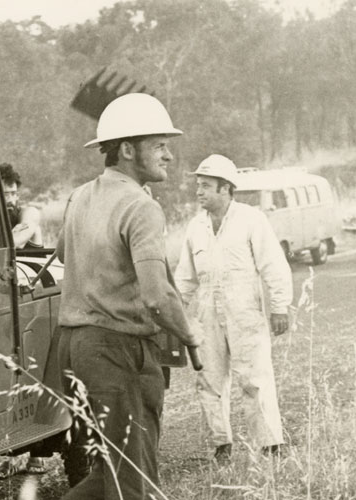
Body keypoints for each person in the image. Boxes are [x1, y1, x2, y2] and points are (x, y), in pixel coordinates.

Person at [55, 93, 202, 499]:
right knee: (135, 481)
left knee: (110, 475)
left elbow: (66, 254)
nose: (168, 155)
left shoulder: (80, 196)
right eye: (158, 145)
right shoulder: (141, 207)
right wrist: (191, 336)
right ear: (126, 149)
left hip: (74, 350)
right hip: (117, 351)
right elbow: (158, 297)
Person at [174, 154, 293, 464]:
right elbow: (184, 278)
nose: (199, 192)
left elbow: (274, 266)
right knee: (209, 380)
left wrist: (280, 306)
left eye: (206, 186)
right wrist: (174, 315)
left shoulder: (252, 220)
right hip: (207, 315)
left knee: (254, 379)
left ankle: (269, 446)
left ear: (226, 189)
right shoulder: (195, 227)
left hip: (245, 313)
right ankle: (221, 445)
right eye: (198, 186)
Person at [0, 163, 51, 480]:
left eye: (13, 191)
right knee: (10, 378)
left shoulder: (29, 213)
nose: (10, 198)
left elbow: (20, 237)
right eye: (4, 192)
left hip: (36, 301)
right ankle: (16, 453)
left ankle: (35, 455)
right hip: (11, 302)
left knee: (34, 376)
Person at [0, 163, 44, 250]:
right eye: (5, 194)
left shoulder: (29, 213)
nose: (10, 200)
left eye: (14, 194)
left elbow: (17, 242)